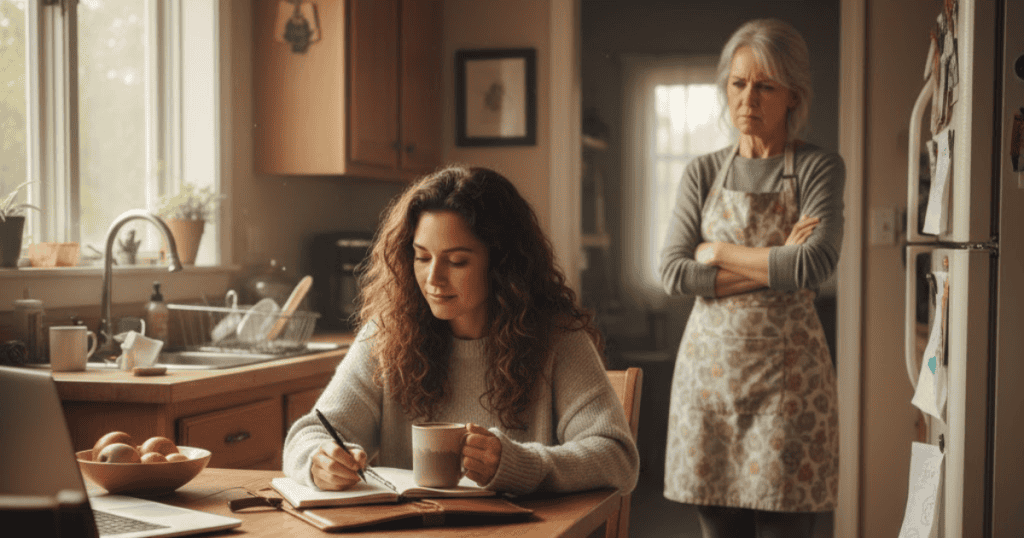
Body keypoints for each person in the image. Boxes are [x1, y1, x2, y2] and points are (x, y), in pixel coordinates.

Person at [283, 165, 640, 497]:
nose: (433, 279)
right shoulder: (388, 333)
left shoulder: (558, 339)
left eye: (457, 261)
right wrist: (318, 459)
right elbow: (310, 433)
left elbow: (616, 456)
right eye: (422, 257)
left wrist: (523, 465)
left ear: (501, 265)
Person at [659, 18, 844, 537]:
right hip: (710, 388)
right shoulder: (701, 172)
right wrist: (774, 261)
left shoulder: (818, 169)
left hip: (790, 390)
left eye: (765, 86)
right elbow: (673, 272)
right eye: (738, 84)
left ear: (792, 95)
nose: (748, 98)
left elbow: (813, 265)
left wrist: (717, 251)